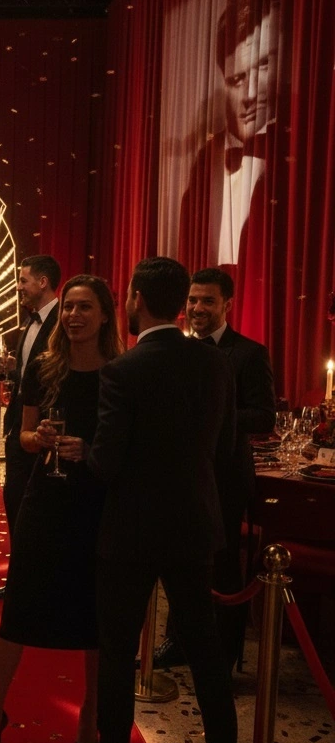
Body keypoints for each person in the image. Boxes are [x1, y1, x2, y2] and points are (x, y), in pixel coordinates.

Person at [74, 257, 240, 743]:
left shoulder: (123, 371)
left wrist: (82, 451)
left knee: (119, 650)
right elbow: (222, 447)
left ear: (137, 300)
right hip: (193, 522)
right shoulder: (215, 364)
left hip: (131, 530)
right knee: (205, 647)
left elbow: (106, 463)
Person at [0, 276, 124, 743]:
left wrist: (90, 450)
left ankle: (88, 719)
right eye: (69, 307)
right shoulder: (44, 366)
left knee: (94, 617)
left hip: (95, 504)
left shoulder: (120, 373)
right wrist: (38, 439)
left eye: (85, 307)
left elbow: (126, 447)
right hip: (46, 499)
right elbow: (22, 435)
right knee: (19, 609)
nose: (74, 316)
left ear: (105, 314)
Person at [154, 266, 276, 671]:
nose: (197, 308)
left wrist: (212, 415)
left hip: (225, 478)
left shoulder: (249, 353)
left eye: (208, 300)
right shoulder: (178, 350)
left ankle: (223, 655)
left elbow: (264, 416)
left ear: (228, 304)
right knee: (179, 560)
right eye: (192, 300)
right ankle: (177, 642)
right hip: (180, 476)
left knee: (221, 566)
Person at [178, 0, 285, 272]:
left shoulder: (304, 157)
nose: (249, 94)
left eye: (263, 66)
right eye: (237, 80)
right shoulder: (204, 169)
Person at [0, 255, 61, 599]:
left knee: (40, 511)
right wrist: (14, 369)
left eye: (23, 280)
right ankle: (21, 580)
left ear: (43, 282)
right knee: (15, 501)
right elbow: (30, 375)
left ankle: (38, 584)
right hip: (19, 426)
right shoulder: (29, 323)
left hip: (46, 431)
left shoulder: (63, 322)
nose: (18, 286)